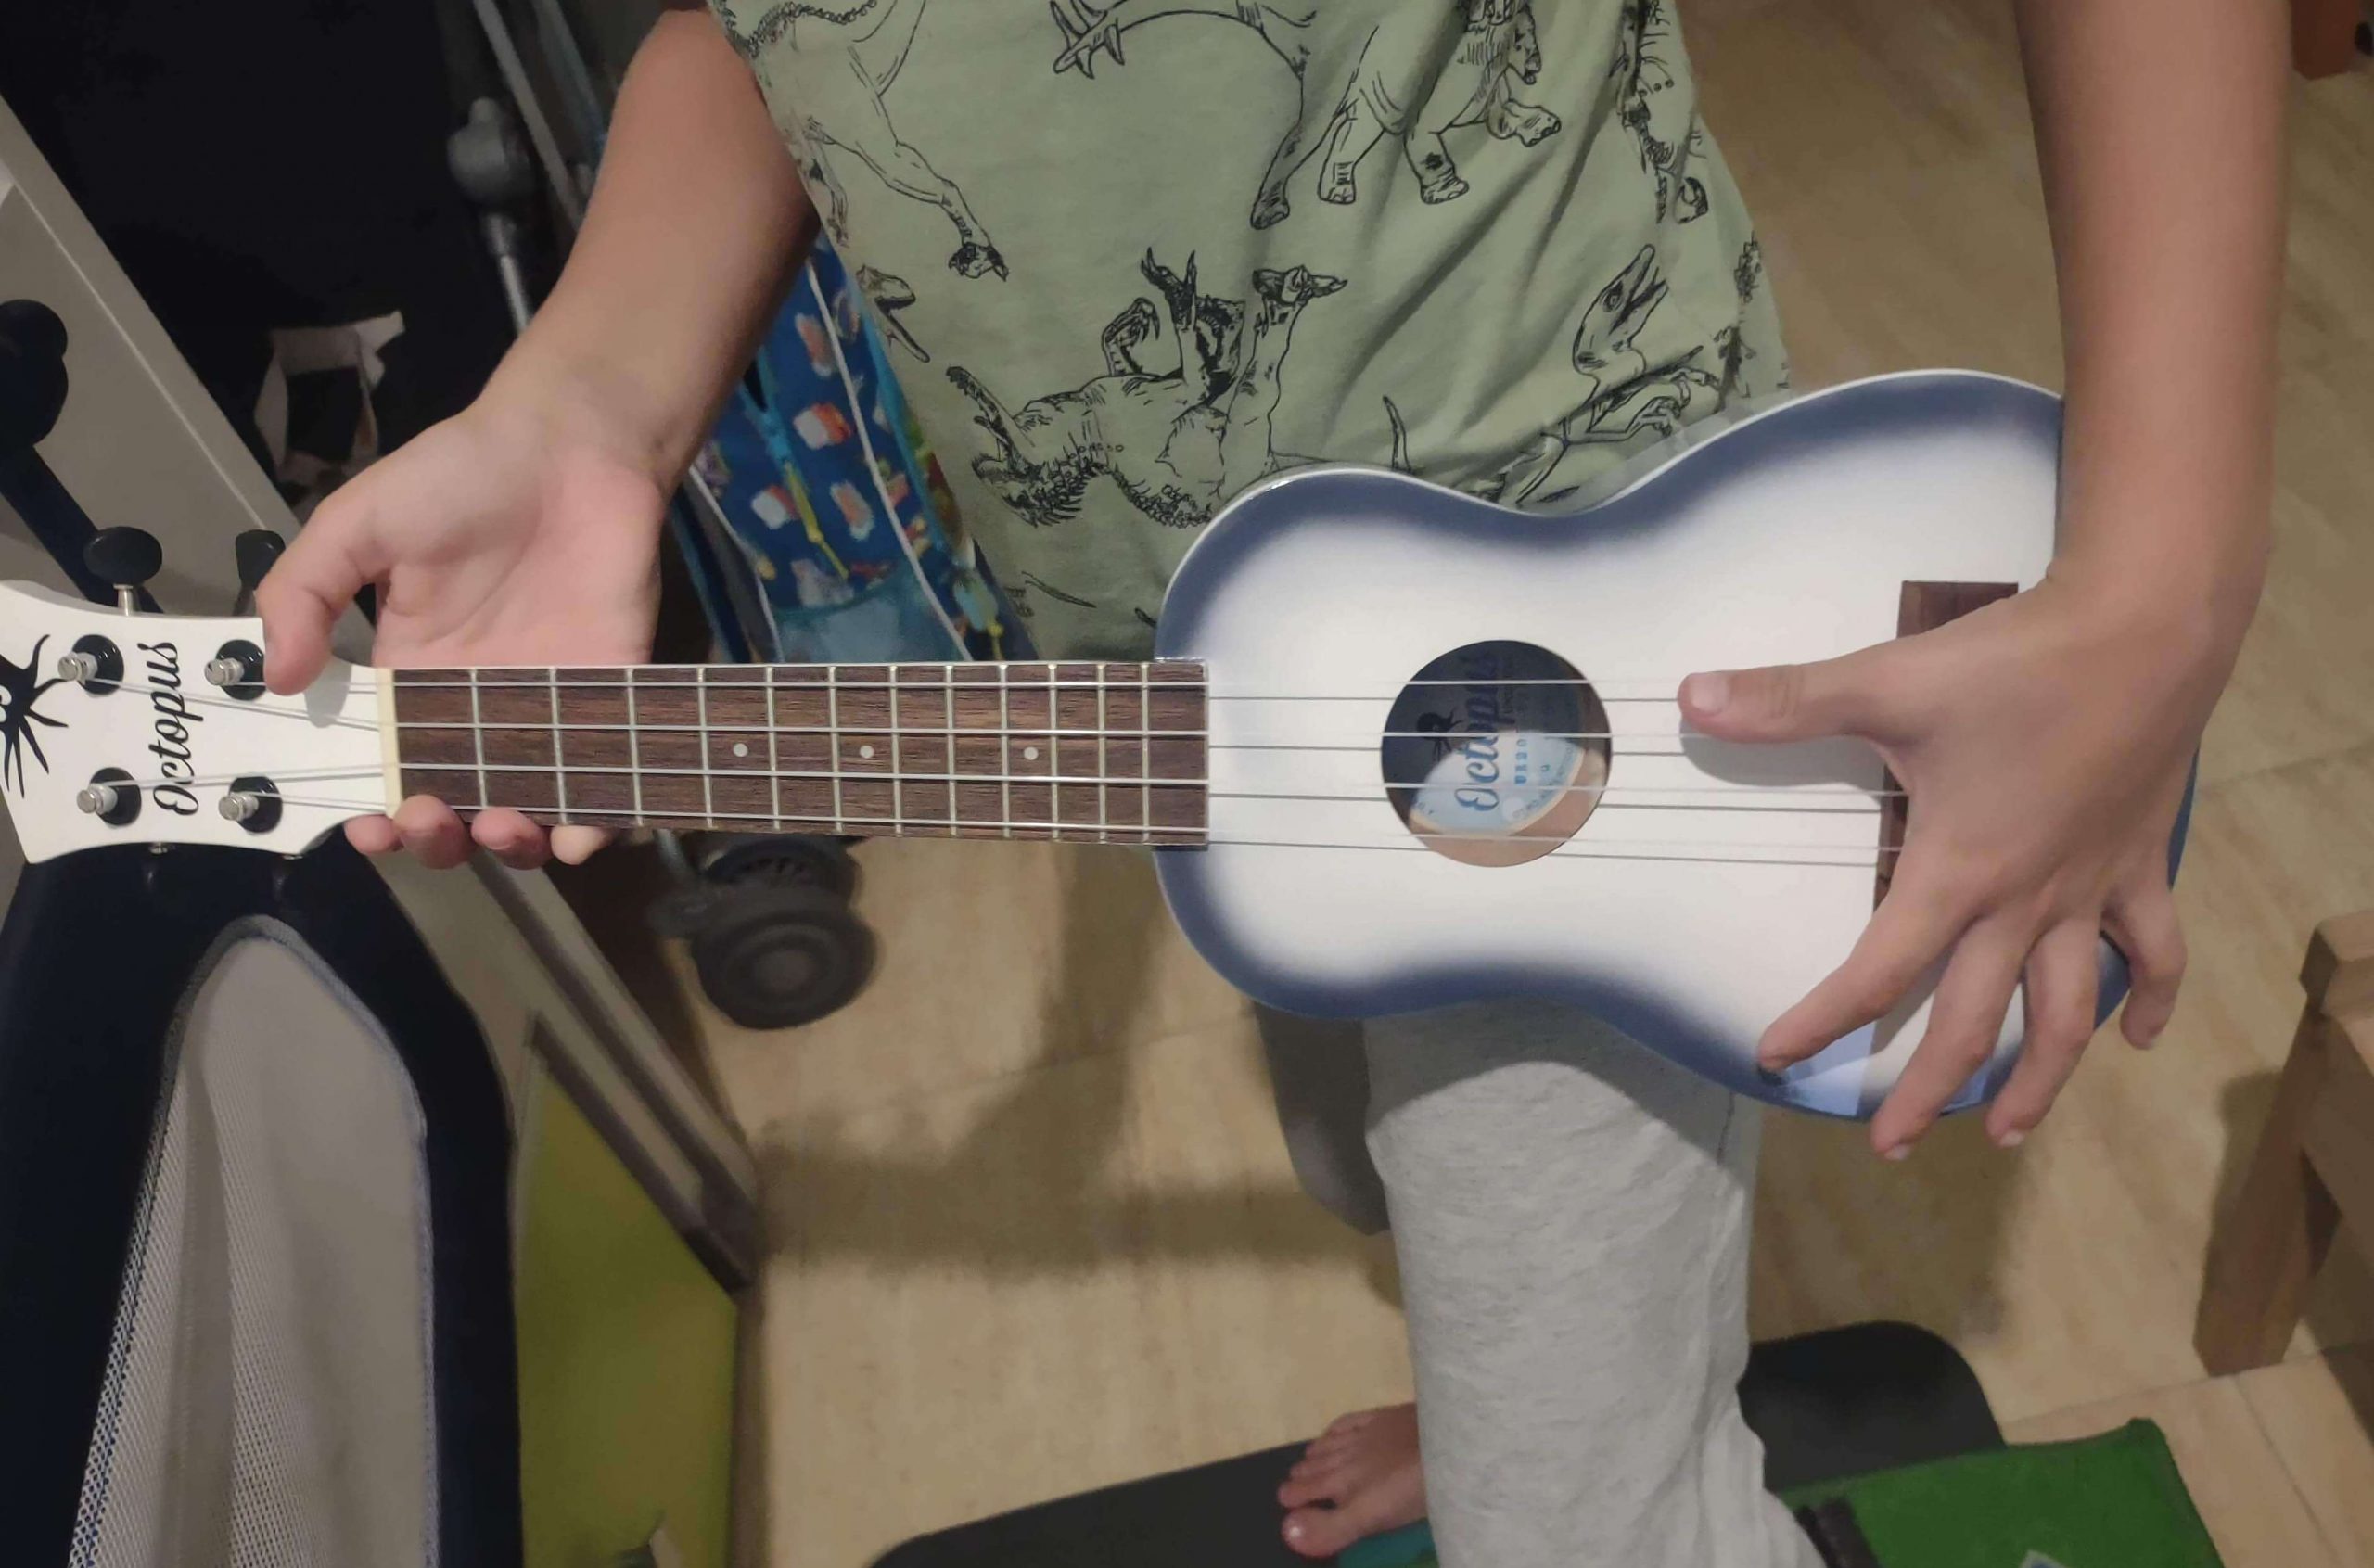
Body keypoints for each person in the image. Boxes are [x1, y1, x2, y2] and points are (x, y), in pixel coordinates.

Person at [256, 3, 2287, 1562]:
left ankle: (1584, 1465)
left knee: (1583, 1526)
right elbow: (753, 32)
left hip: (1619, 604)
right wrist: (589, 407)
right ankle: (1528, 1405)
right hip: (1205, 690)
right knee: (1366, 1158)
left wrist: (2159, 590)